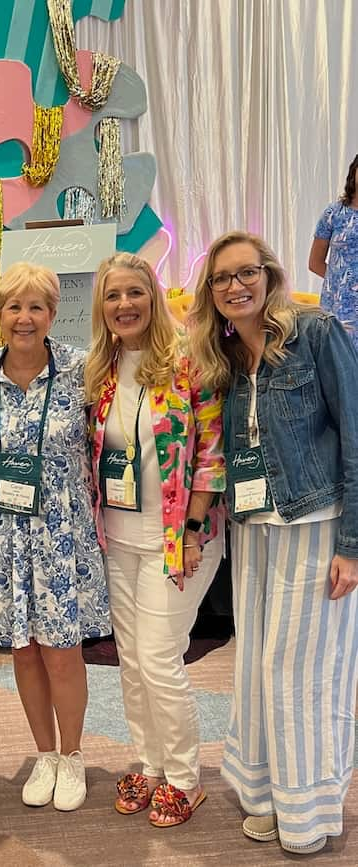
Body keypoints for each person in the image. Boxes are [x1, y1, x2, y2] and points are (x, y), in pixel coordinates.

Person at [189, 230, 358, 855]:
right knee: (260, 669)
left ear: (269, 275)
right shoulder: (228, 358)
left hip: (313, 528)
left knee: (305, 674)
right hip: (254, 532)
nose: (235, 286)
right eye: (221, 278)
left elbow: (356, 435)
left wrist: (354, 544)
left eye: (245, 273)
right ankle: (268, 795)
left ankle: (310, 811)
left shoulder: (316, 334)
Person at [85, 251, 225, 828]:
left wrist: (192, 532)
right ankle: (148, 762)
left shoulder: (189, 364)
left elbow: (211, 460)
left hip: (179, 540)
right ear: (103, 305)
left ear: (154, 297)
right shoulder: (101, 371)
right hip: (118, 537)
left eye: (135, 293)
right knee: (134, 661)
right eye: (114, 296)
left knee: (163, 659)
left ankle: (184, 778)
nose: (125, 305)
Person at [0, 262, 109, 812]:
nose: (24, 318)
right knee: (23, 653)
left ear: (53, 313)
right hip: (2, 533)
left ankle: (73, 756)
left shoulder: (83, 369)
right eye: (13, 307)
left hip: (62, 535)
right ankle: (44, 755)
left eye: (36, 307)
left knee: (61, 653)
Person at [309, 153, 358, 349]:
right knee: (339, 364)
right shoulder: (334, 213)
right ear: (353, 172)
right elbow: (314, 263)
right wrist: (342, 284)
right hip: (339, 308)